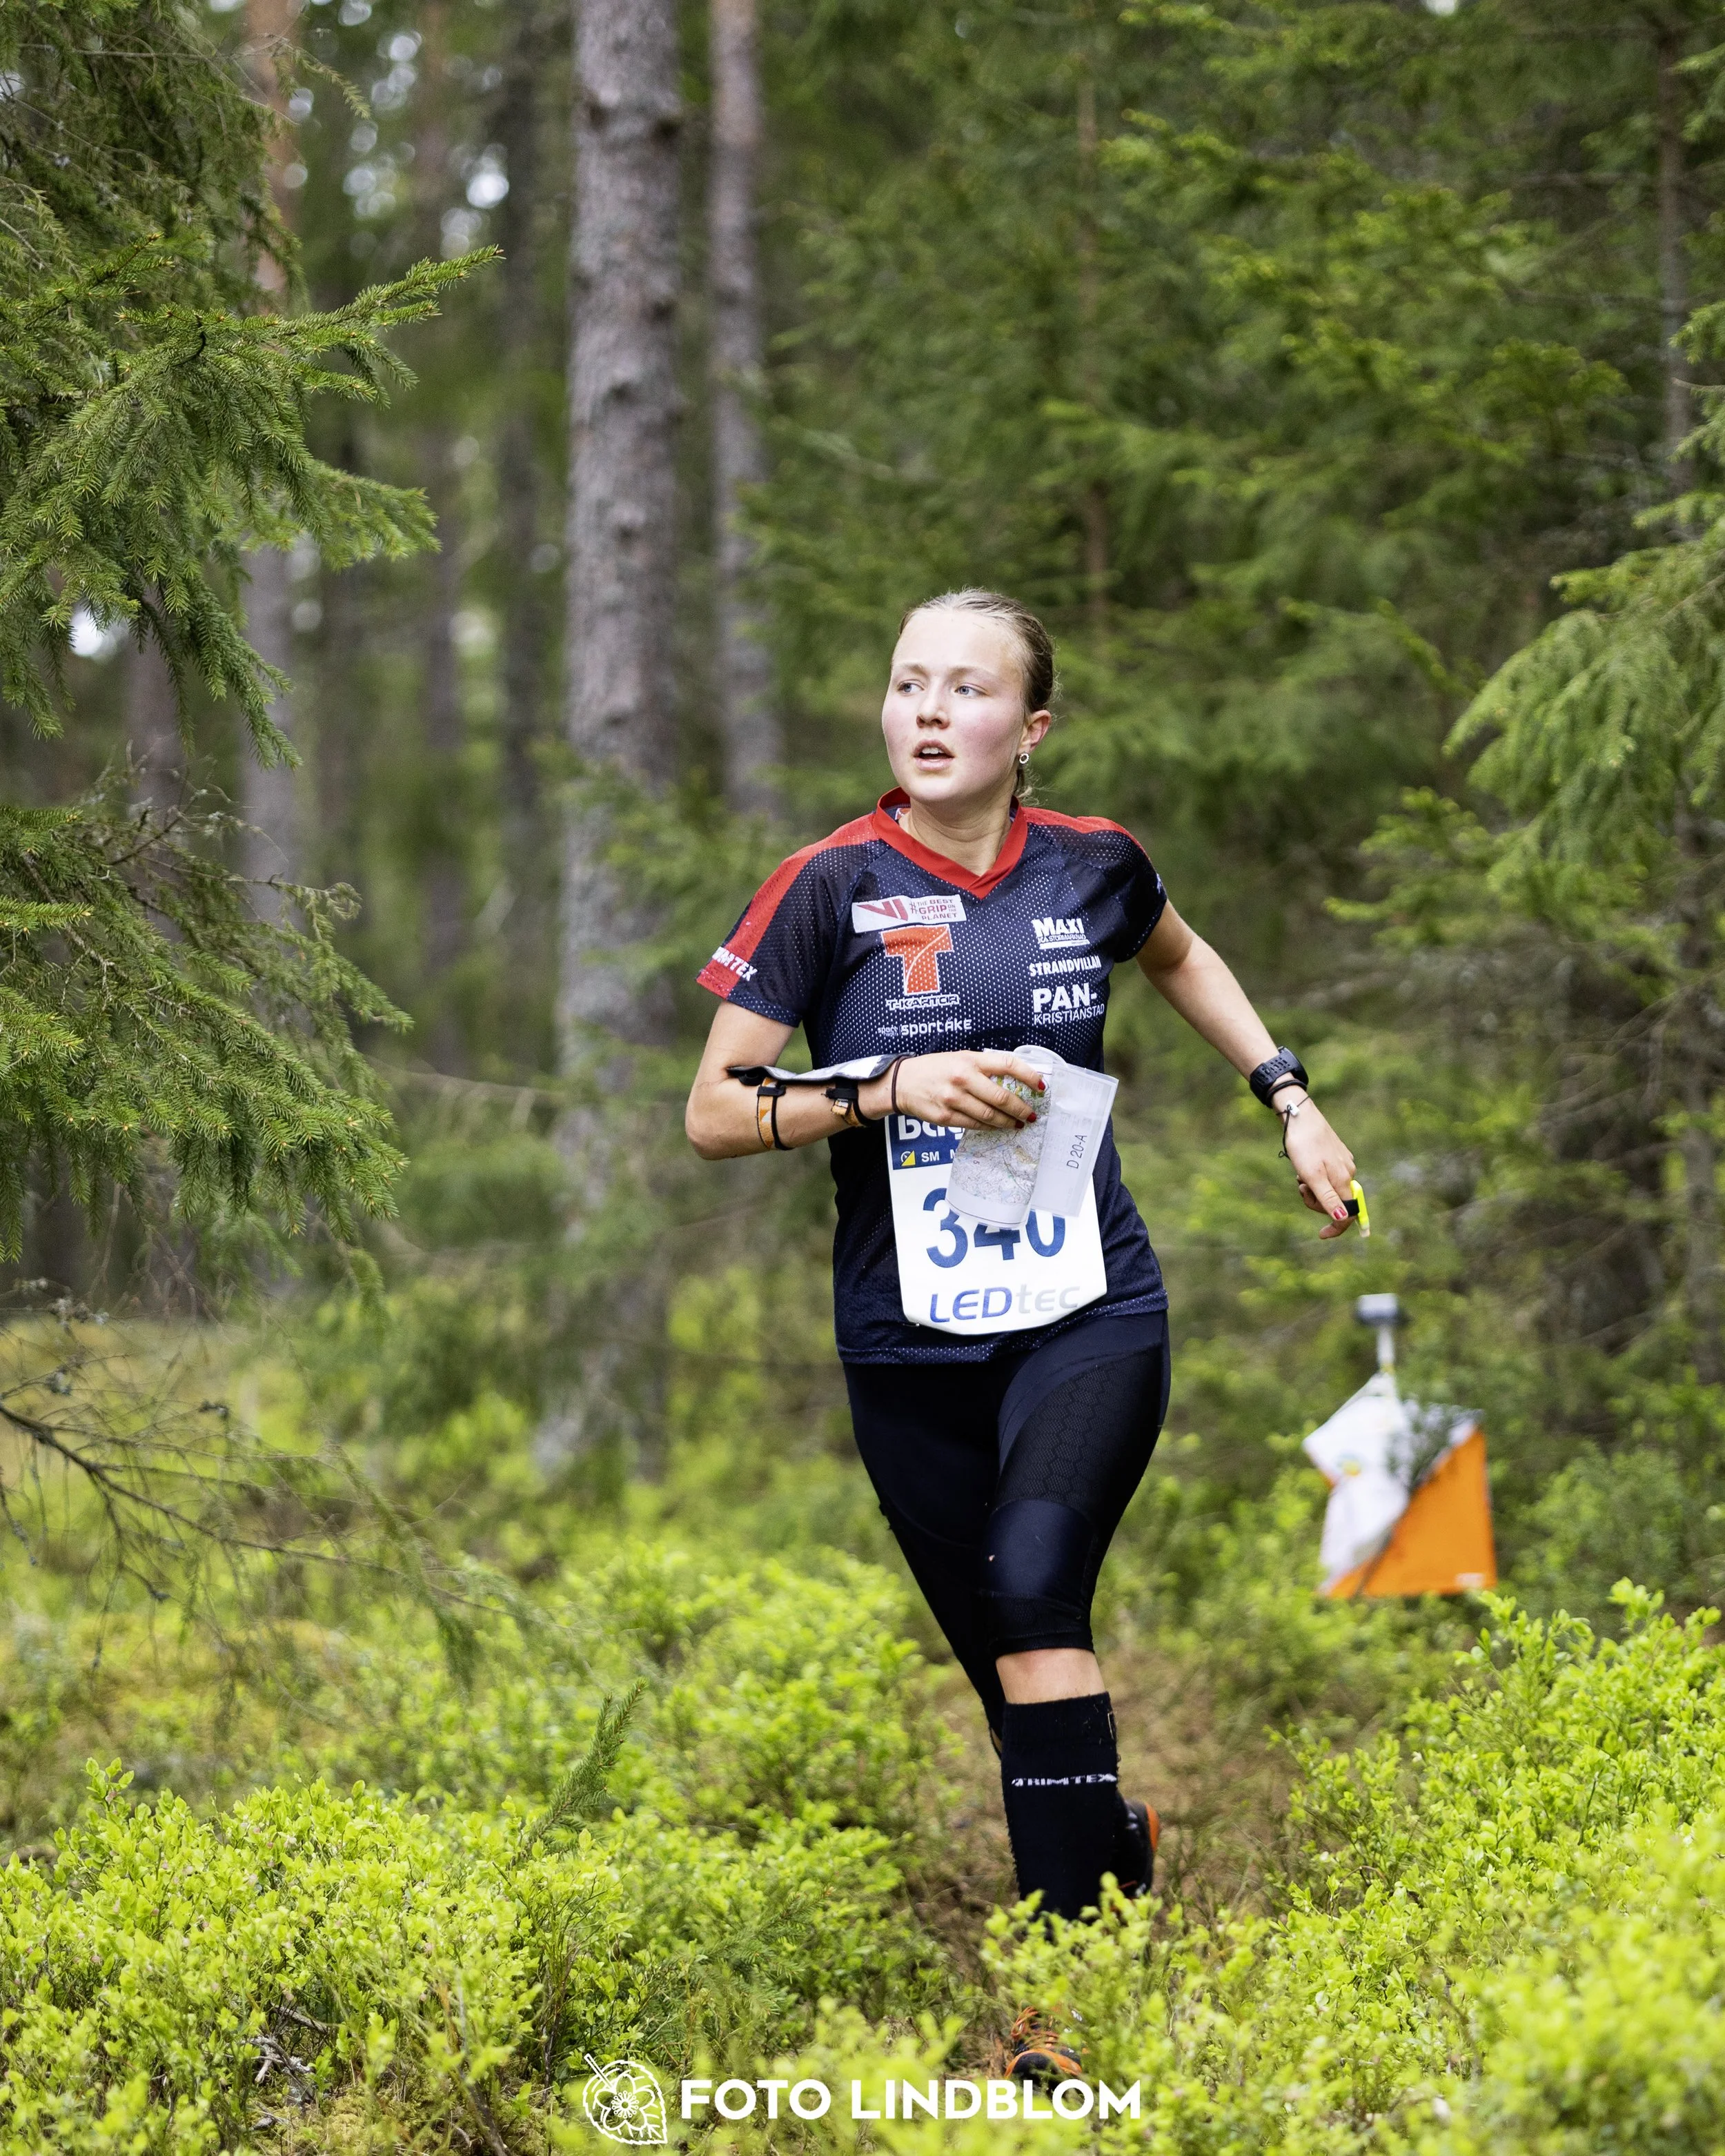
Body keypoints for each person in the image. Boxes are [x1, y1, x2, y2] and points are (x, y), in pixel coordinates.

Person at [684, 589, 1358, 2079]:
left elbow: (1179, 955)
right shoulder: (827, 886)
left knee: (1039, 1590)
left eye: (967, 688)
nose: (929, 711)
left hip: (1089, 1309)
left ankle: (1061, 2011)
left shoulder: (1093, 864)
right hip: (906, 1338)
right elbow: (715, 1110)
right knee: (1012, 1674)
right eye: (907, 683)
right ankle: (1108, 1842)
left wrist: (1288, 1097)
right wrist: (885, 1088)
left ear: (1029, 725)